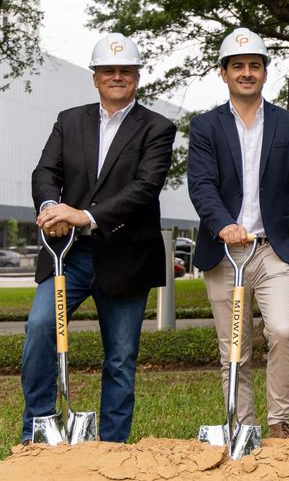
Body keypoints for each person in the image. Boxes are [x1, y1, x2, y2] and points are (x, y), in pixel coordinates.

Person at [23, 34, 176, 443]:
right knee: (40, 330)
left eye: (125, 70)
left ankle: (112, 446)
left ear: (137, 76)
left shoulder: (158, 129)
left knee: (121, 358)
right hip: (68, 255)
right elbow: (45, 173)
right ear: (95, 78)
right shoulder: (68, 120)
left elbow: (145, 188)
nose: (117, 76)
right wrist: (49, 209)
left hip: (126, 255)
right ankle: (37, 430)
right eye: (108, 70)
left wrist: (84, 215)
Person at [187, 27, 289, 439]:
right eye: (238, 66)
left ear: (265, 72)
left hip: (273, 251)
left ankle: (279, 422)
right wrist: (223, 223)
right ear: (224, 73)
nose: (247, 73)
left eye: (255, 66)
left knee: (282, 330)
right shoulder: (206, 126)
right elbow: (201, 185)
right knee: (235, 347)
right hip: (225, 251)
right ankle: (242, 426)